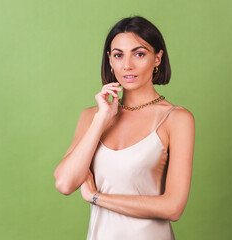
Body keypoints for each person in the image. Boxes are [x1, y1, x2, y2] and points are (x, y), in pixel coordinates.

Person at [53, 16, 195, 240]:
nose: (127, 65)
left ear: (157, 58)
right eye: (119, 55)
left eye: (139, 54)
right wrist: (102, 119)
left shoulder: (176, 119)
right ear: (110, 60)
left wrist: (96, 197)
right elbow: (64, 182)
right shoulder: (92, 116)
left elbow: (173, 207)